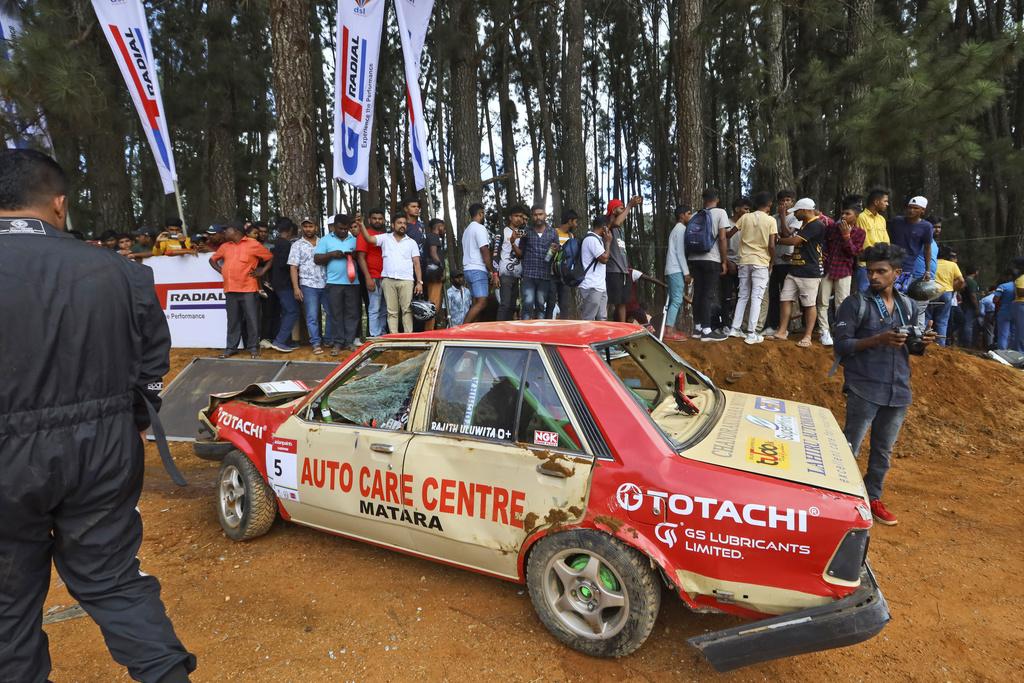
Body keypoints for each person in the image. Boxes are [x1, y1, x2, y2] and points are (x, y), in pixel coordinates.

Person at [0, 149, 195, 682]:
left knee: (7, 605)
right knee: (113, 581)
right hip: (103, 448)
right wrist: (130, 417)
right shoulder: (120, 272)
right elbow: (153, 362)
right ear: (59, 204)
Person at [833, 242, 937, 526]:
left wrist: (923, 341)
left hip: (899, 388)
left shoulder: (908, 305)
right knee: (849, 446)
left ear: (897, 273)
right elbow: (841, 345)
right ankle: (839, 501)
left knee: (883, 450)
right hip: (864, 386)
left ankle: (873, 497)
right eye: (870, 271)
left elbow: (912, 349)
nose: (874, 277)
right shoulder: (855, 304)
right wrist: (878, 339)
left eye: (881, 271)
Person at [209, 219, 273, 358]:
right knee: (233, 320)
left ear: (236, 231)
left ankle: (253, 348)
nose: (225, 232)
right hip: (230, 288)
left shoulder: (253, 244)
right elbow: (212, 260)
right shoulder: (225, 246)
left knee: (252, 319)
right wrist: (222, 271)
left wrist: (262, 271)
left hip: (248, 288)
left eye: (227, 230)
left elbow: (269, 258)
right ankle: (231, 347)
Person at [357, 213, 423, 333]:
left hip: (406, 280)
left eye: (404, 223)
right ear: (393, 225)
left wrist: (419, 282)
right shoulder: (385, 238)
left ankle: (408, 337)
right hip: (388, 280)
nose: (402, 225)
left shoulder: (411, 242)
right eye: (399, 223)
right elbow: (369, 239)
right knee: (391, 311)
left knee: (407, 310)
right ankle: (394, 337)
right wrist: (361, 226)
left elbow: (416, 263)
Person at [773, 198, 825, 347]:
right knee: (785, 298)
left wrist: (778, 240)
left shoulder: (816, 225)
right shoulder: (806, 224)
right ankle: (782, 331)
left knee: (809, 304)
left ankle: (807, 336)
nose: (794, 214)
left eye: (796, 211)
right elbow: (805, 247)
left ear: (805, 210)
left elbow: (796, 241)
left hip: (809, 271)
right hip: (795, 268)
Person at [727, 191, 776, 344]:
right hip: (760, 262)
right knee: (757, 297)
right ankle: (751, 333)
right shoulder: (770, 221)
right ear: (769, 205)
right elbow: (772, 245)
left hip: (744, 260)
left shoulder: (745, 217)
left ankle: (735, 329)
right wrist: (771, 262)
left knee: (743, 295)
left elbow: (729, 234)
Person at [817, 200, 866, 346]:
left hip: (844, 270)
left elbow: (853, 252)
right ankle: (823, 331)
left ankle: (841, 331)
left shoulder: (859, 233)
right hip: (828, 269)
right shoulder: (832, 228)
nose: (844, 216)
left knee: (842, 303)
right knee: (822, 301)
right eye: (842, 213)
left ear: (856, 216)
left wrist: (846, 236)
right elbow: (824, 245)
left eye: (847, 213)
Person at [687, 189, 731, 341]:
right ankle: (706, 330)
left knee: (698, 293)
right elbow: (723, 238)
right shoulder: (720, 213)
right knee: (708, 294)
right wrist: (724, 260)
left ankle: (697, 328)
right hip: (711, 258)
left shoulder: (695, 215)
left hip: (694, 258)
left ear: (704, 200)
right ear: (717, 199)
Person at [314, 214, 363, 354]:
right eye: (340, 228)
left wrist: (353, 255)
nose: (343, 231)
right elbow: (317, 259)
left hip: (353, 283)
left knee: (352, 313)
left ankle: (349, 341)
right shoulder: (325, 240)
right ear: (334, 226)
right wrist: (331, 255)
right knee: (336, 314)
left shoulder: (354, 240)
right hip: (333, 283)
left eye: (346, 229)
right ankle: (338, 343)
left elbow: (361, 257)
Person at [758, 189, 797, 336]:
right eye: (782, 201)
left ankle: (785, 326)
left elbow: (787, 233)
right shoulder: (772, 218)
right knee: (773, 294)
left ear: (792, 202)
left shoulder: (795, 217)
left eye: (788, 200)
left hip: (790, 261)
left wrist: (782, 216)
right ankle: (772, 325)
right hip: (774, 262)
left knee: (787, 296)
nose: (785, 203)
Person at [288, 218, 329, 354]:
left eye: (310, 226)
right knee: (312, 315)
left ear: (316, 227)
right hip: (308, 284)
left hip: (326, 282)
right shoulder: (297, 245)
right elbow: (293, 267)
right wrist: (296, 287)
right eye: (305, 226)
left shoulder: (323, 242)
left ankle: (328, 339)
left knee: (331, 313)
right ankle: (316, 343)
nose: (308, 229)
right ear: (302, 228)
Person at [512, 213, 559, 319]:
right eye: (535, 215)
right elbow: (520, 254)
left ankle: (540, 333)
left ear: (545, 215)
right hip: (529, 275)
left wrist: (555, 250)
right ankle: (525, 332)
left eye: (540, 214)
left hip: (544, 275)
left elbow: (556, 255)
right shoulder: (526, 232)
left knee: (541, 307)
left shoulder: (553, 232)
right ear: (532, 216)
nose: (538, 217)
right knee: (527, 305)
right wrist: (512, 242)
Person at [606, 196, 642, 323]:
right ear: (614, 209)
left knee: (622, 302)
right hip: (613, 270)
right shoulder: (608, 225)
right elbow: (616, 222)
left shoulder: (620, 230)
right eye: (621, 208)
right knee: (610, 301)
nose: (624, 210)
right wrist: (629, 206)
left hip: (623, 271)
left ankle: (622, 327)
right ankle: (604, 324)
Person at [461, 202, 497, 324]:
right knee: (482, 302)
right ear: (481, 213)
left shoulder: (467, 231)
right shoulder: (480, 228)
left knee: (476, 303)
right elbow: (484, 250)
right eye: (483, 214)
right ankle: (463, 328)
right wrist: (492, 270)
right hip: (478, 269)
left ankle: (471, 330)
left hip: (468, 269)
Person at [267, 218, 299, 353]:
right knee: (292, 311)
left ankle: (284, 340)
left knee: (286, 311)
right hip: (285, 283)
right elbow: (284, 264)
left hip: (277, 283)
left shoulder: (276, 244)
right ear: (290, 230)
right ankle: (280, 341)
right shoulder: (286, 245)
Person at [719, 197, 750, 330]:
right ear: (737, 209)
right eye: (745, 209)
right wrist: (726, 261)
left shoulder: (748, 224)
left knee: (742, 296)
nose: (748, 212)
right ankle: (725, 323)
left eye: (749, 209)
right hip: (729, 263)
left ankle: (739, 325)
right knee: (726, 295)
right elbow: (721, 241)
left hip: (744, 264)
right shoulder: (727, 224)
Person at [355, 209, 387, 337]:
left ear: (384, 220)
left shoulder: (385, 235)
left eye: (380, 218)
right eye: (374, 218)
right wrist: (367, 277)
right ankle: (374, 336)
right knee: (374, 308)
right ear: (369, 220)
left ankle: (383, 334)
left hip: (386, 276)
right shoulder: (364, 234)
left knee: (384, 309)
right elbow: (360, 257)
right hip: (373, 276)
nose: (377, 221)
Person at [664, 204, 693, 340]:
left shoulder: (676, 229)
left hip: (672, 268)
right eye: (688, 213)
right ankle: (669, 330)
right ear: (681, 216)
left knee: (673, 299)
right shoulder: (681, 229)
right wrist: (686, 273)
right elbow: (680, 253)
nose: (690, 216)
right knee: (676, 300)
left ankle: (670, 327)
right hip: (676, 269)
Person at [855, 188, 890, 291]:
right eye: (885, 201)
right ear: (876, 202)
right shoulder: (861, 217)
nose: (887, 204)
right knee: (864, 291)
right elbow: (863, 241)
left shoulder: (881, 219)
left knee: (879, 292)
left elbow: (886, 240)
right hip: (866, 264)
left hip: (881, 263)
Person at [578, 215, 612, 320]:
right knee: (589, 318)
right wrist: (608, 242)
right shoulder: (591, 240)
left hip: (599, 285)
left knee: (602, 318)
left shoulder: (598, 240)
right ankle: (585, 336)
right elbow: (604, 259)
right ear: (604, 227)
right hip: (591, 286)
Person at [928, 246, 964, 346]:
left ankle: (925, 342)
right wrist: (953, 289)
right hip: (947, 293)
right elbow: (961, 280)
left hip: (931, 292)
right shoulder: (952, 265)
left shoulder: (930, 263)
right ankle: (941, 344)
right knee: (942, 320)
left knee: (927, 317)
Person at [496, 205, 526, 321]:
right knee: (505, 304)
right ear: (510, 217)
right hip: (505, 274)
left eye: (521, 216)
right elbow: (495, 253)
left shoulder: (523, 233)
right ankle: (498, 331)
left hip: (518, 275)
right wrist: (494, 274)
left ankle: (507, 331)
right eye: (516, 216)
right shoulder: (502, 231)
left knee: (513, 306)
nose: (518, 219)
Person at [550, 209, 578, 319]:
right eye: (575, 221)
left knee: (564, 303)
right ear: (570, 221)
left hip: (564, 274)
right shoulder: (553, 232)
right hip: (552, 273)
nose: (576, 224)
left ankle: (565, 327)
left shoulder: (571, 236)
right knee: (551, 301)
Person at [422, 218, 447, 331]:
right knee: (433, 304)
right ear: (439, 227)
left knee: (434, 303)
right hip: (435, 275)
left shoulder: (431, 237)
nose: (444, 230)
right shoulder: (433, 236)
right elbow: (433, 253)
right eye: (443, 228)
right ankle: (429, 330)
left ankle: (431, 328)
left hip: (432, 275)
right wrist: (442, 268)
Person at [959, 264, 981, 348]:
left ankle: (962, 342)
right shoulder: (971, 282)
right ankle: (967, 344)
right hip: (970, 306)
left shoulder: (965, 280)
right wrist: (976, 307)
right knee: (968, 325)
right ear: (975, 272)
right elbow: (973, 295)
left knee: (964, 324)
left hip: (964, 305)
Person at [993, 274, 1017, 349]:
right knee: (1014, 335)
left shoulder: (1003, 286)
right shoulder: (1020, 287)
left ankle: (1002, 353)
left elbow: (995, 299)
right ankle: (1012, 353)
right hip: (1017, 313)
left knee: (1003, 335)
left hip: (1004, 311)